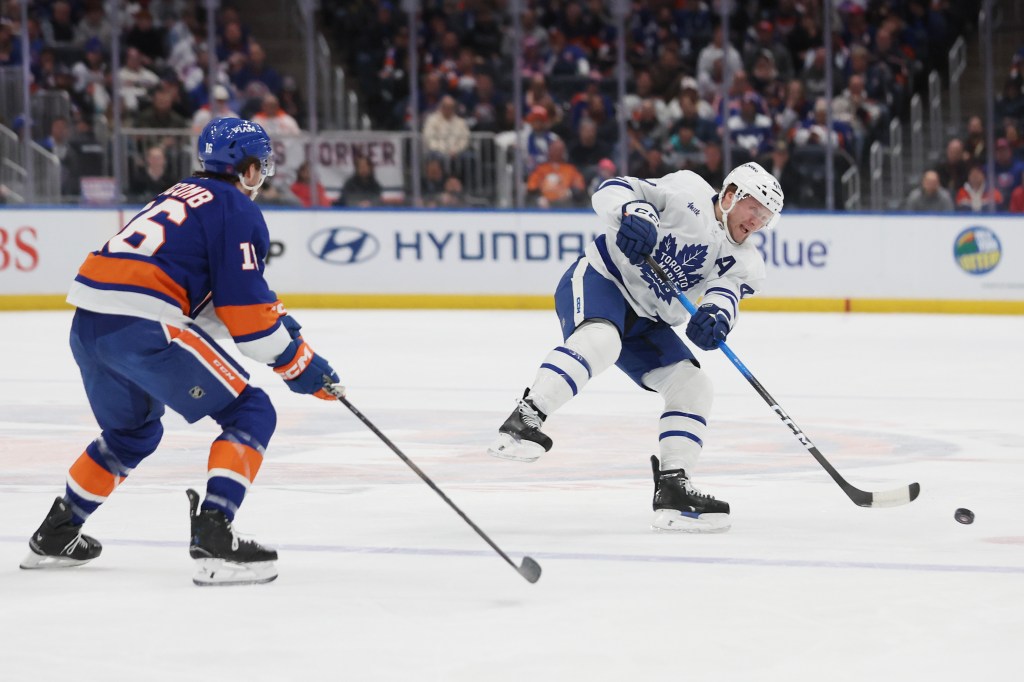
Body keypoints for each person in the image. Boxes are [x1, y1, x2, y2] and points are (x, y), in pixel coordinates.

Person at [20, 118, 341, 586]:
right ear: (248, 169)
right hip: (146, 326)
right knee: (251, 412)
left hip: (89, 324)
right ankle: (214, 536)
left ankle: (57, 532)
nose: (262, 178)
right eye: (261, 168)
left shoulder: (179, 193)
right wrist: (300, 365)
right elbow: (246, 321)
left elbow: (210, 298)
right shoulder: (238, 209)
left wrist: (279, 326)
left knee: (131, 435)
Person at [487, 162, 784, 533]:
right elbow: (614, 188)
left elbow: (726, 294)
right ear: (729, 195)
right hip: (603, 279)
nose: (757, 221)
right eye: (754, 208)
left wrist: (715, 317)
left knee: (693, 387)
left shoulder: (747, 261)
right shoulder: (686, 190)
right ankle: (524, 419)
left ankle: (674, 486)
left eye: (766, 216)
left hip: (648, 321)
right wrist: (635, 212)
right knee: (601, 340)